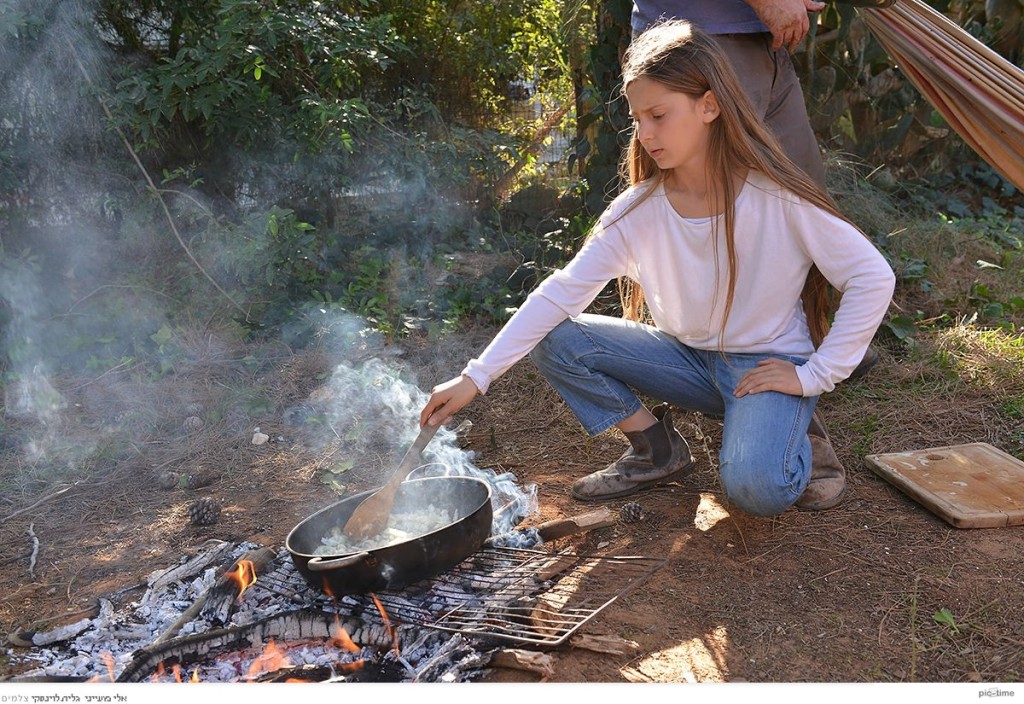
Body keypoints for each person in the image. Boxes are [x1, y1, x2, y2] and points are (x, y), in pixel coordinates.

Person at [421, 20, 895, 516]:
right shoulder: (637, 209)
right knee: (558, 335)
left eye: (659, 115)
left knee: (758, 491)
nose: (645, 134)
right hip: (685, 361)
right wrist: (474, 377)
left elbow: (871, 276)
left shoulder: (776, 196)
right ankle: (656, 449)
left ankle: (798, 438)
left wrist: (814, 375)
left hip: (765, 365)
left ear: (709, 106)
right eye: (637, 119)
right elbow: (560, 293)